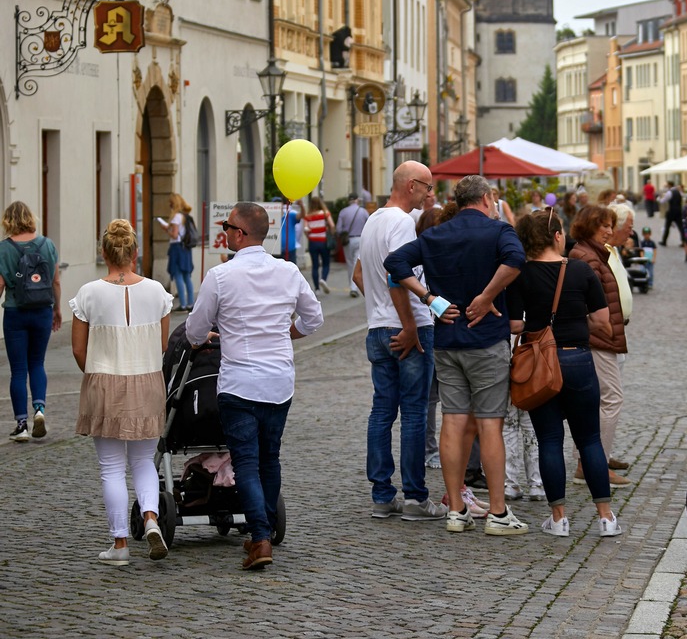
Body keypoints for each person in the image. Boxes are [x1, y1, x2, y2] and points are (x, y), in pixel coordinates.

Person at [384, 174, 529, 537]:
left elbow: (394, 263)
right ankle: (497, 512)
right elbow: (516, 259)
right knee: (490, 422)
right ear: (486, 198)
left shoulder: (434, 234)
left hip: (447, 339)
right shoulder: (498, 231)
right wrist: (487, 296)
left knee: (453, 420)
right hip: (486, 340)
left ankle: (456, 509)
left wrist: (428, 298)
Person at [185, 202, 323, 570]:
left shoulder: (221, 276)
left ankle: (260, 538)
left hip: (240, 381)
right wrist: (285, 333)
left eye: (227, 227)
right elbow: (314, 318)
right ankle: (259, 532)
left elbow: (195, 330)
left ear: (240, 233)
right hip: (279, 379)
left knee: (246, 460)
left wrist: (212, 334)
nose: (224, 232)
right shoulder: (288, 271)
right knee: (270, 458)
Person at [506, 209, 621, 537]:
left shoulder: (521, 275)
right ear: (557, 236)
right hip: (579, 360)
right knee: (590, 440)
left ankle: (558, 519)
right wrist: (574, 323)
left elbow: (515, 325)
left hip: (542, 364)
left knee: (550, 441)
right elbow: (602, 321)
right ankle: (606, 517)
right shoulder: (582, 271)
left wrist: (541, 328)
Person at [70, 218, 173, 564]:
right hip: (147, 380)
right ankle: (151, 519)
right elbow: (161, 345)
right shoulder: (157, 291)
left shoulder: (88, 293)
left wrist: (99, 373)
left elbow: (78, 349)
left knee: (111, 468)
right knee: (144, 460)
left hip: (104, 379)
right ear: (134, 252)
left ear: (104, 253)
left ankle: (120, 545)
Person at [352, 162, 446, 523]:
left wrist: (378, 309)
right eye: (427, 187)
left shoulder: (374, 219)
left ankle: (381, 496)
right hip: (409, 328)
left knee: (381, 411)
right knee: (413, 413)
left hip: (378, 327)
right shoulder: (404, 223)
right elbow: (399, 274)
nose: (430, 194)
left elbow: (361, 274)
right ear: (411, 186)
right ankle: (415, 498)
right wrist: (406, 324)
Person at [568, 205, 630, 488]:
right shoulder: (587, 255)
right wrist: (603, 328)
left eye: (610, 224)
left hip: (601, 337)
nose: (609, 229)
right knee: (611, 398)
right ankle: (597, 465)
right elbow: (586, 300)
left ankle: (588, 463)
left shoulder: (593, 252)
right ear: (589, 225)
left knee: (593, 402)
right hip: (598, 339)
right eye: (604, 225)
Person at [0, 200, 61, 441]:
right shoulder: (48, 244)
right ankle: (39, 410)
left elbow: (1, 285)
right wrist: (57, 309)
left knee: (18, 370)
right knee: (37, 362)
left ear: (8, 221)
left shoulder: (4, 249)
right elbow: (56, 280)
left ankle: (21, 425)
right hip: (42, 311)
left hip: (15, 312)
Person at [158, 192, 194, 310]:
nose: (169, 205)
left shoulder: (176, 217)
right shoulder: (184, 216)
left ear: (174, 204)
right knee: (187, 276)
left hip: (177, 248)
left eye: (170, 202)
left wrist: (165, 229)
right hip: (185, 248)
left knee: (178, 274)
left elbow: (174, 235)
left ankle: (183, 304)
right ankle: (190, 303)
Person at [336, 193, 369, 297]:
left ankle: (352, 286)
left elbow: (338, 229)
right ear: (357, 200)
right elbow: (369, 225)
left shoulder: (343, 212)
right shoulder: (363, 212)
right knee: (356, 262)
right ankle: (354, 287)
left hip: (348, 240)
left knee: (350, 263)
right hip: (360, 239)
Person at [304, 195, 333, 295]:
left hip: (313, 242)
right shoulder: (325, 214)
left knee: (315, 265)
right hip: (323, 241)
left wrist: (310, 236)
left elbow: (306, 230)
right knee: (326, 263)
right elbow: (332, 225)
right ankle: (323, 279)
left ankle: (316, 289)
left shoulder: (308, 216)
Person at [660, 181, 684, 247]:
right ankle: (684, 241)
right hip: (679, 211)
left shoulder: (669, 192)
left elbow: (663, 201)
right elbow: (682, 196)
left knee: (667, 226)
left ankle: (664, 241)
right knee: (680, 227)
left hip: (671, 211)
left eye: (667, 185)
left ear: (670, 185)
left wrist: (659, 199)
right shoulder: (679, 191)